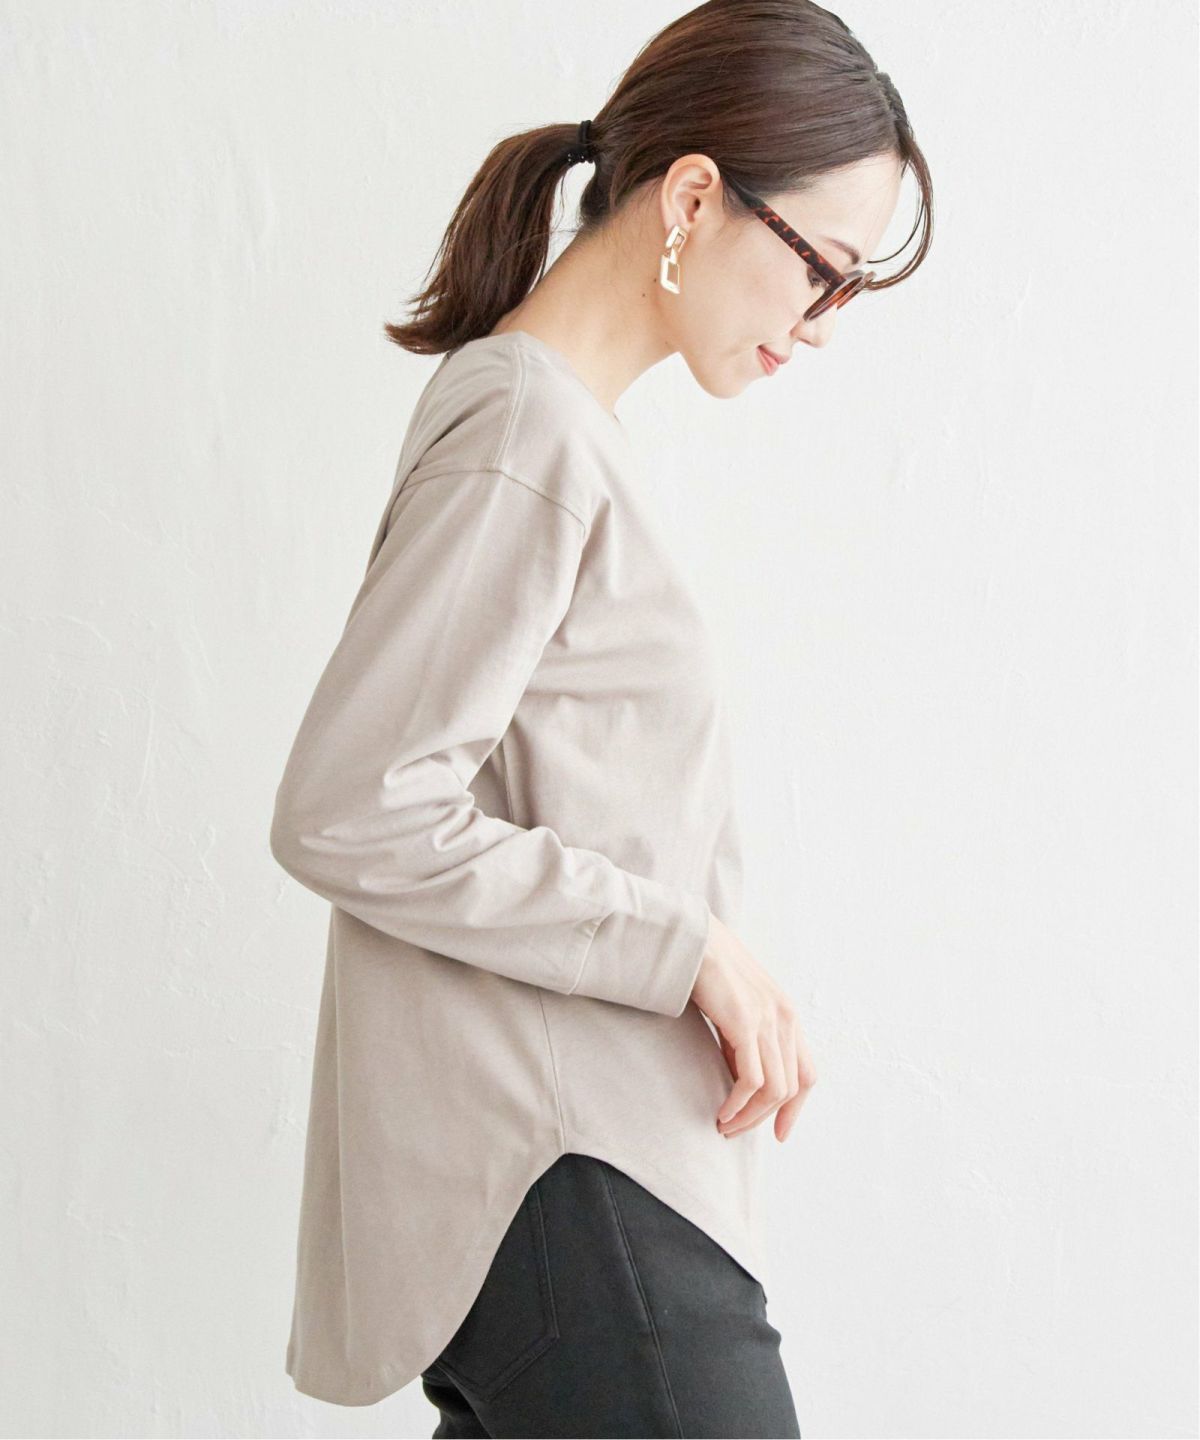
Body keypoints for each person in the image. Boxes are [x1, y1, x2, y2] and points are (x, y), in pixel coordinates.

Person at [268, 0, 933, 1433]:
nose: (823, 322)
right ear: (693, 198)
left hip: (582, 1185)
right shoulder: (529, 431)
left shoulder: (553, 429)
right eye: (822, 268)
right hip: (572, 1181)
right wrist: (687, 948)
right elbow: (353, 804)